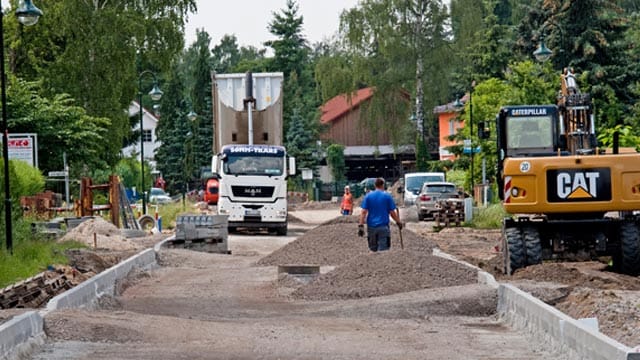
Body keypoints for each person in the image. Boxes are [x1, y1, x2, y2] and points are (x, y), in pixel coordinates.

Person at [357, 178, 403, 252]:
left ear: (375, 185)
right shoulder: (387, 196)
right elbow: (392, 212)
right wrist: (398, 222)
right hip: (383, 227)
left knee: (373, 250)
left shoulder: (368, 196)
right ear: (383, 185)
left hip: (371, 227)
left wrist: (361, 226)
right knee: (383, 251)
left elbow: (363, 212)